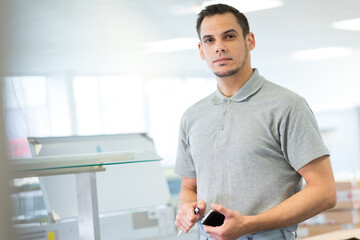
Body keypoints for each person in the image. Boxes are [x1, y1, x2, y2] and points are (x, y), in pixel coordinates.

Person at [174, 3, 336, 240]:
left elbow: (324, 192)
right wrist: (187, 208)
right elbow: (189, 188)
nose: (219, 47)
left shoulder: (287, 106)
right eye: (209, 40)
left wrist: (249, 224)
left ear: (249, 41)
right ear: (201, 50)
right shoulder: (192, 116)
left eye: (229, 36)